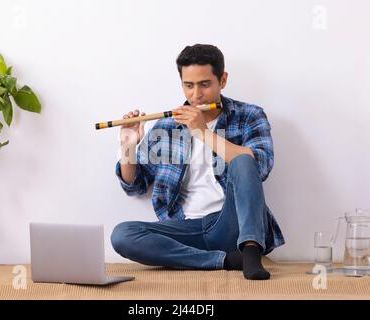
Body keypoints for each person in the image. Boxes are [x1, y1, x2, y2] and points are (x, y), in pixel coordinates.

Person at [111, 44, 284, 280]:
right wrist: (128, 146)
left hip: (230, 223)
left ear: (222, 80)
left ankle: (251, 252)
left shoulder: (249, 116)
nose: (196, 95)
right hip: (185, 227)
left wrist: (202, 132)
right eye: (188, 85)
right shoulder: (167, 126)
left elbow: (260, 166)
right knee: (122, 234)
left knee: (243, 159)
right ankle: (225, 260)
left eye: (204, 84)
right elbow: (134, 186)